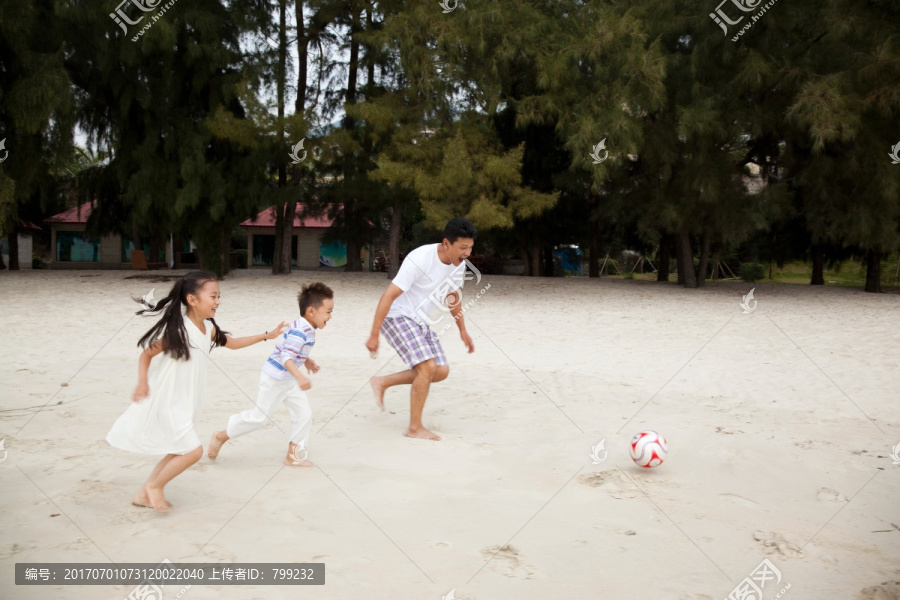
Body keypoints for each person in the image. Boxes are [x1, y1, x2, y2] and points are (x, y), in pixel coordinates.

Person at [107, 271, 286, 513]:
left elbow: (232, 344)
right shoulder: (180, 330)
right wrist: (142, 382)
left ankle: (143, 493)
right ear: (192, 299)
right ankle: (155, 487)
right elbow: (147, 353)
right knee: (193, 451)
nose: (218, 301)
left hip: (186, 400)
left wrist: (267, 336)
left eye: (219, 296)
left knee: (179, 449)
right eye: (213, 296)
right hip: (169, 398)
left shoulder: (208, 327)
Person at [365, 218, 476, 441]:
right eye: (463, 248)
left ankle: (382, 382)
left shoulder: (459, 265)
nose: (467, 254)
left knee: (441, 370)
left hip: (419, 321)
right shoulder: (420, 258)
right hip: (397, 316)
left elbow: (453, 297)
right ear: (447, 243)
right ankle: (415, 428)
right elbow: (388, 295)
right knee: (427, 366)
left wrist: (462, 330)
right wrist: (374, 334)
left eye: (470, 248)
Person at [207, 282, 333, 467]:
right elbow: (286, 356)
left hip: (288, 379)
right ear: (311, 311)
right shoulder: (300, 330)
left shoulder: (305, 326)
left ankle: (293, 456)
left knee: (304, 414)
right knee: (259, 418)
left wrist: (306, 360)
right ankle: (220, 436)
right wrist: (299, 376)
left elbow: (292, 349)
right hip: (275, 378)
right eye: (328, 311)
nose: (330, 316)